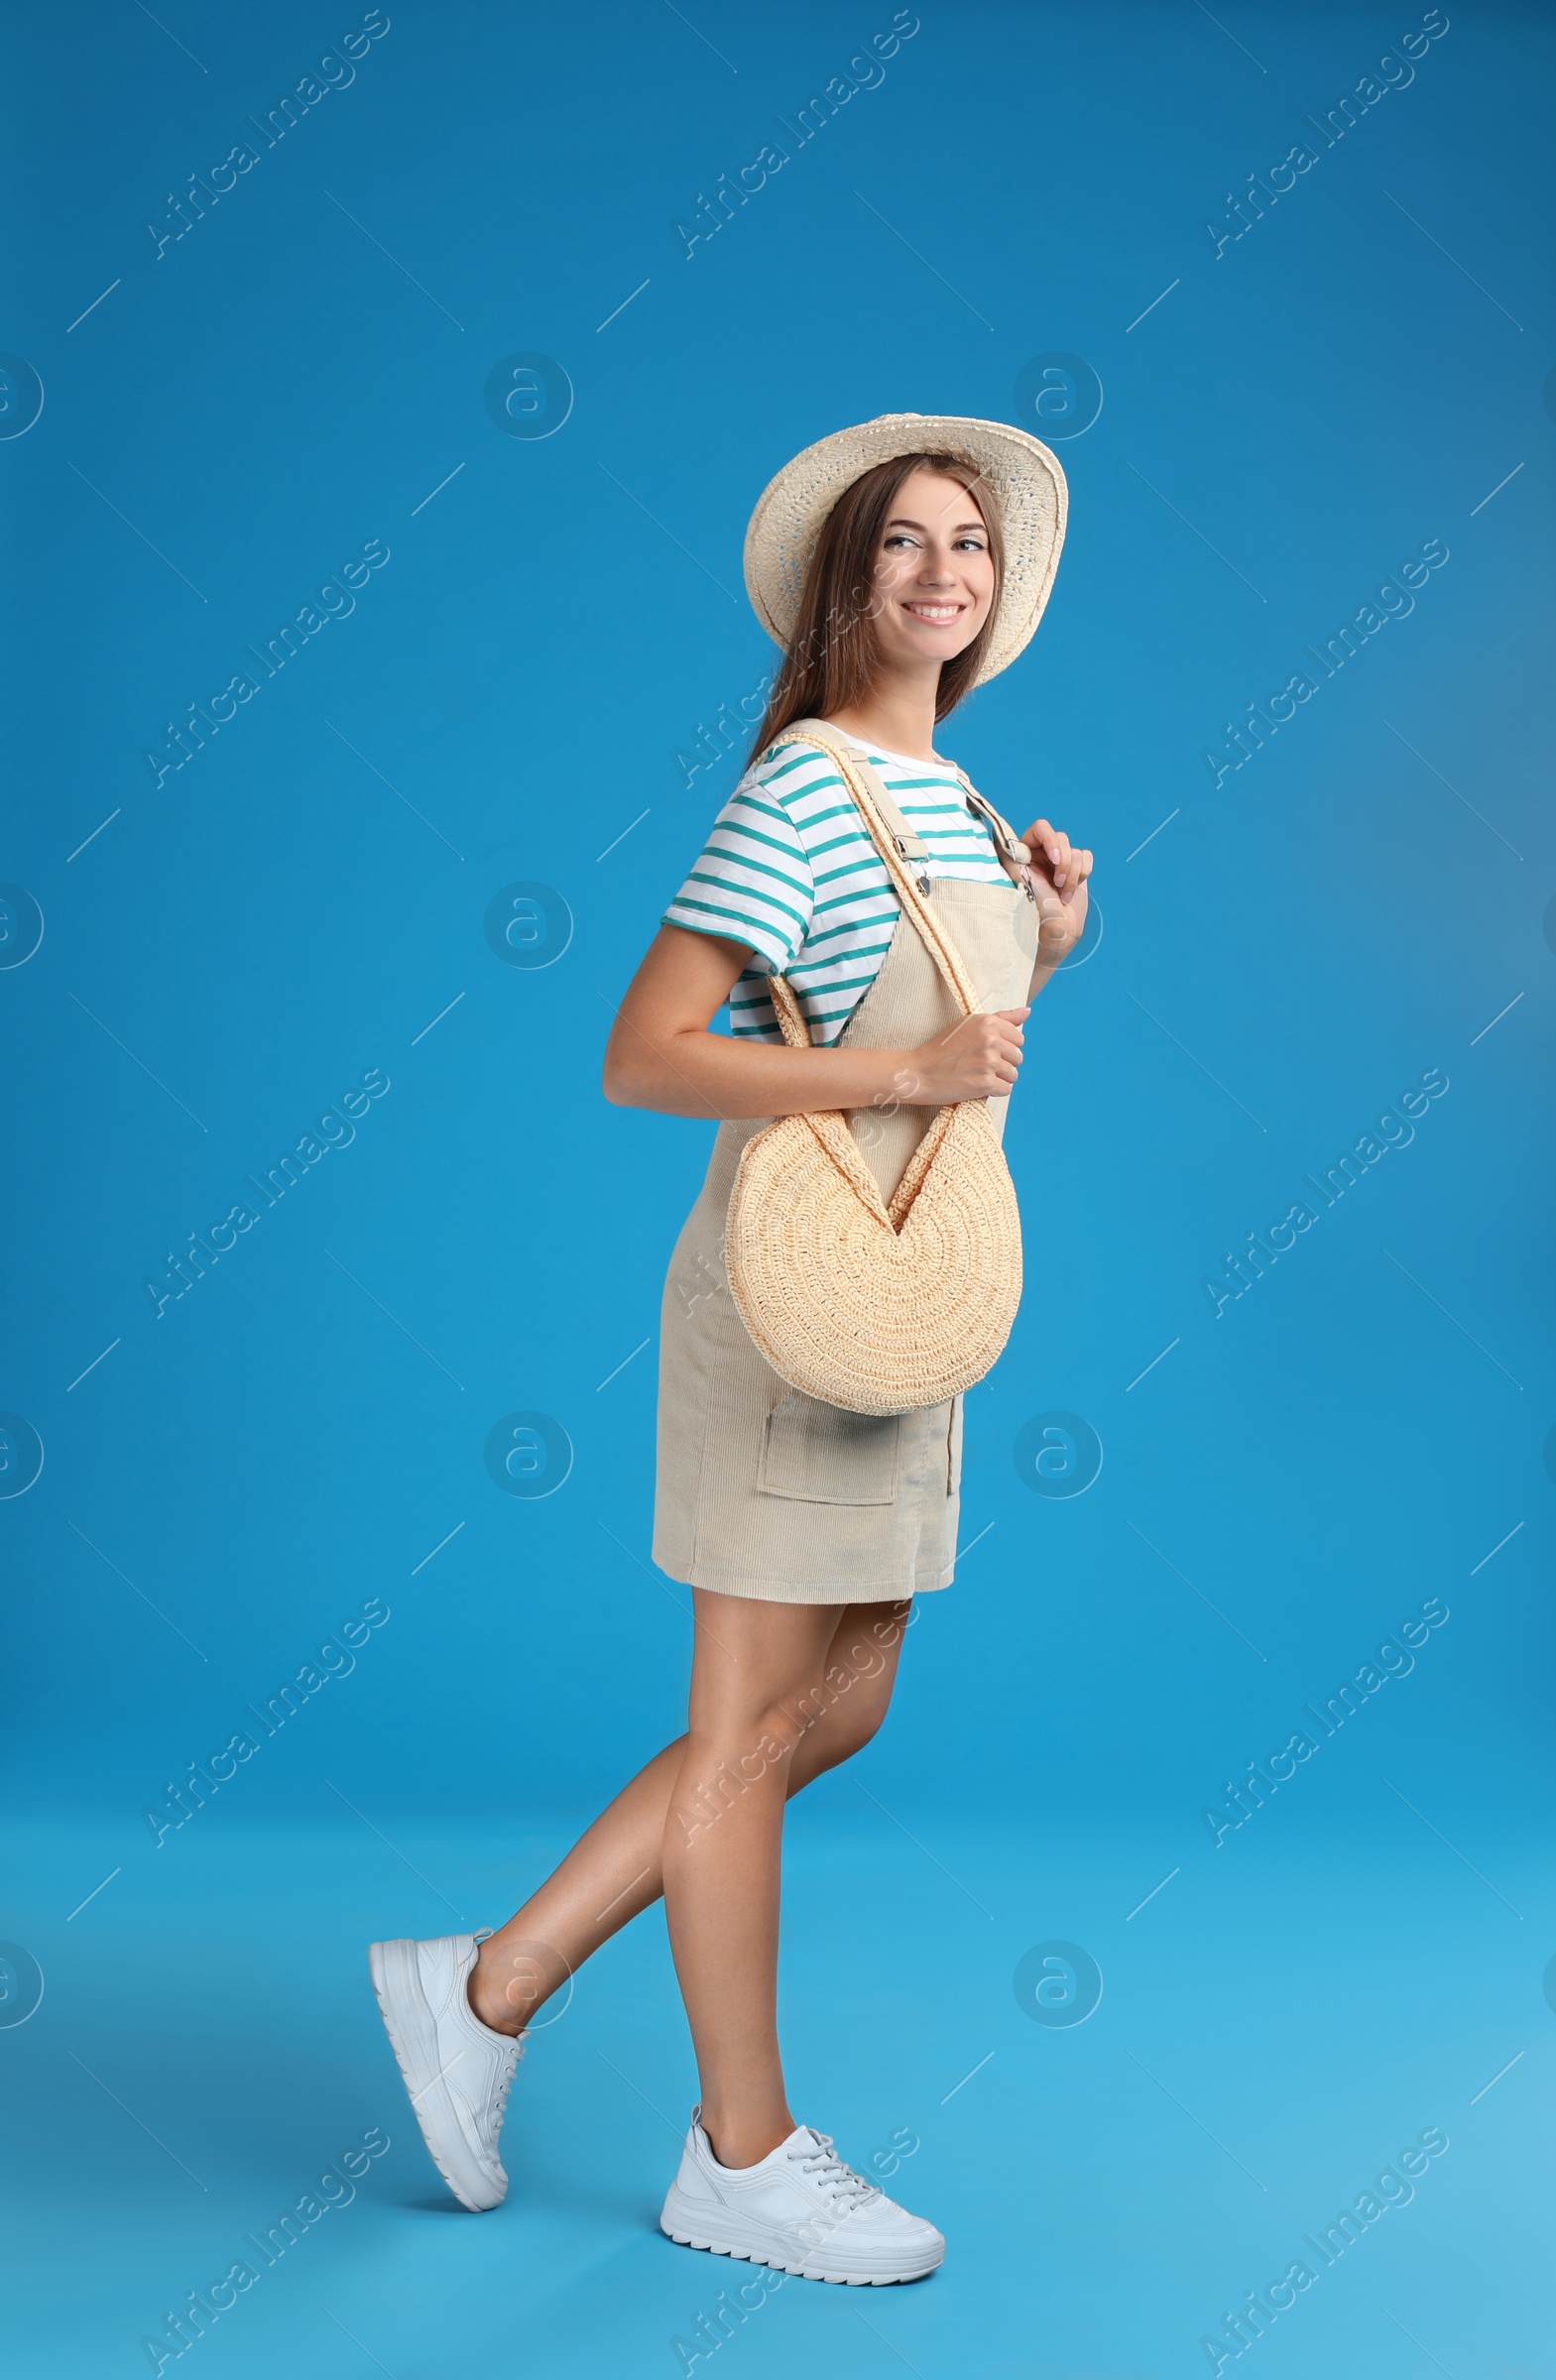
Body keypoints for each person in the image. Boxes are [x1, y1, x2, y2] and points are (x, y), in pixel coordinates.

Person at [368, 414, 1092, 2285]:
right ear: (843, 584)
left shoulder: (952, 795)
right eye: (906, 545)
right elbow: (650, 1052)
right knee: (750, 1725)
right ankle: (740, 2148)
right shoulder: (802, 787)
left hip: (902, 1304)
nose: (944, 573)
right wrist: (909, 1063)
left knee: (826, 1707)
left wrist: (1045, 943)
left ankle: (492, 1980)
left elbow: (941, 1033)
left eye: (970, 548)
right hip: (788, 1309)